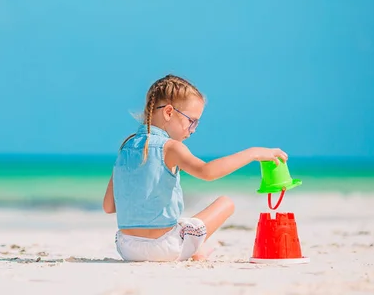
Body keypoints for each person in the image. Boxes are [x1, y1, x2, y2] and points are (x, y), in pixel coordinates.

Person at [102, 74, 288, 262]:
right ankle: (197, 250)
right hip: (165, 247)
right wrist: (253, 153)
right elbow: (207, 172)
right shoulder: (171, 147)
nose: (193, 130)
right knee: (226, 203)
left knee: (181, 224)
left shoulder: (125, 148)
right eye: (192, 121)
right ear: (168, 112)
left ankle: (195, 249)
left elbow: (108, 206)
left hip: (126, 248)